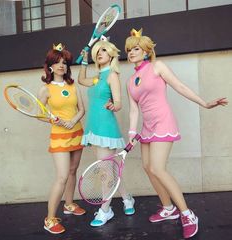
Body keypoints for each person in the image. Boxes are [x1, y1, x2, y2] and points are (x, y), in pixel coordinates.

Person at [124, 28, 228, 239]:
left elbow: (179, 86)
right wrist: (132, 132)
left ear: (146, 51)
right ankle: (168, 208)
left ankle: (187, 214)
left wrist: (204, 103)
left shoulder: (157, 66)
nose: (131, 52)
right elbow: (134, 109)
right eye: (128, 50)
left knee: (158, 168)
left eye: (136, 48)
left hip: (163, 122)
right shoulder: (130, 81)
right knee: (147, 167)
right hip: (147, 127)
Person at [78, 39, 135, 227]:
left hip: (106, 129)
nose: (100, 53)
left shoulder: (112, 75)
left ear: (111, 54)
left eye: (104, 50)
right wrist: (84, 61)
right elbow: (80, 80)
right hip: (94, 127)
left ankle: (105, 210)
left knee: (106, 172)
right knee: (110, 169)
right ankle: (127, 199)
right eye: (98, 51)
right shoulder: (97, 77)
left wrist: (114, 105)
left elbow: (119, 103)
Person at [38, 43, 86, 234]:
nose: (61, 66)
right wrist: (53, 119)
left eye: (64, 62)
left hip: (76, 133)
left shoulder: (72, 86)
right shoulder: (46, 89)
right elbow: (39, 113)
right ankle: (49, 219)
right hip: (59, 137)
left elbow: (81, 109)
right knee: (62, 176)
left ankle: (69, 204)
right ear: (50, 66)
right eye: (57, 62)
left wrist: (73, 120)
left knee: (73, 171)